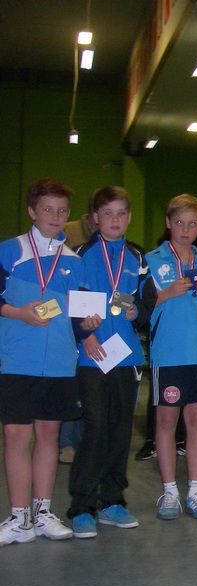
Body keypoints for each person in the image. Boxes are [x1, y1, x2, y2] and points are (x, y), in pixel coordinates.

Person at [0, 178, 99, 546]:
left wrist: (88, 325)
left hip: (59, 362)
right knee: (15, 436)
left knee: (49, 436)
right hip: (17, 359)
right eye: (47, 209)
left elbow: (79, 313)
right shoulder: (9, 251)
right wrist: (18, 313)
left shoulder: (74, 261)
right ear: (32, 211)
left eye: (62, 210)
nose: (55, 216)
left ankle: (42, 513)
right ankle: (19, 518)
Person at [66, 186, 150, 538]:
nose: (115, 220)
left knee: (120, 430)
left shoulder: (137, 256)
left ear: (129, 218)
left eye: (121, 213)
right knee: (96, 427)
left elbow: (147, 302)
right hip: (92, 356)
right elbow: (72, 300)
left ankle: (113, 502)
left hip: (125, 356)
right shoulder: (80, 254)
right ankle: (82, 506)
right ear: (94, 219)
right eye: (107, 213)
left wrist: (137, 312)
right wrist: (83, 334)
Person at [141, 194, 197, 522]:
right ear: (168, 223)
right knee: (166, 422)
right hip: (168, 353)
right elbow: (139, 308)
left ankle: (195, 491)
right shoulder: (150, 260)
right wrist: (165, 293)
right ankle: (170, 491)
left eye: (192, 224)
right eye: (179, 223)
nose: (185, 230)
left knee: (196, 421)